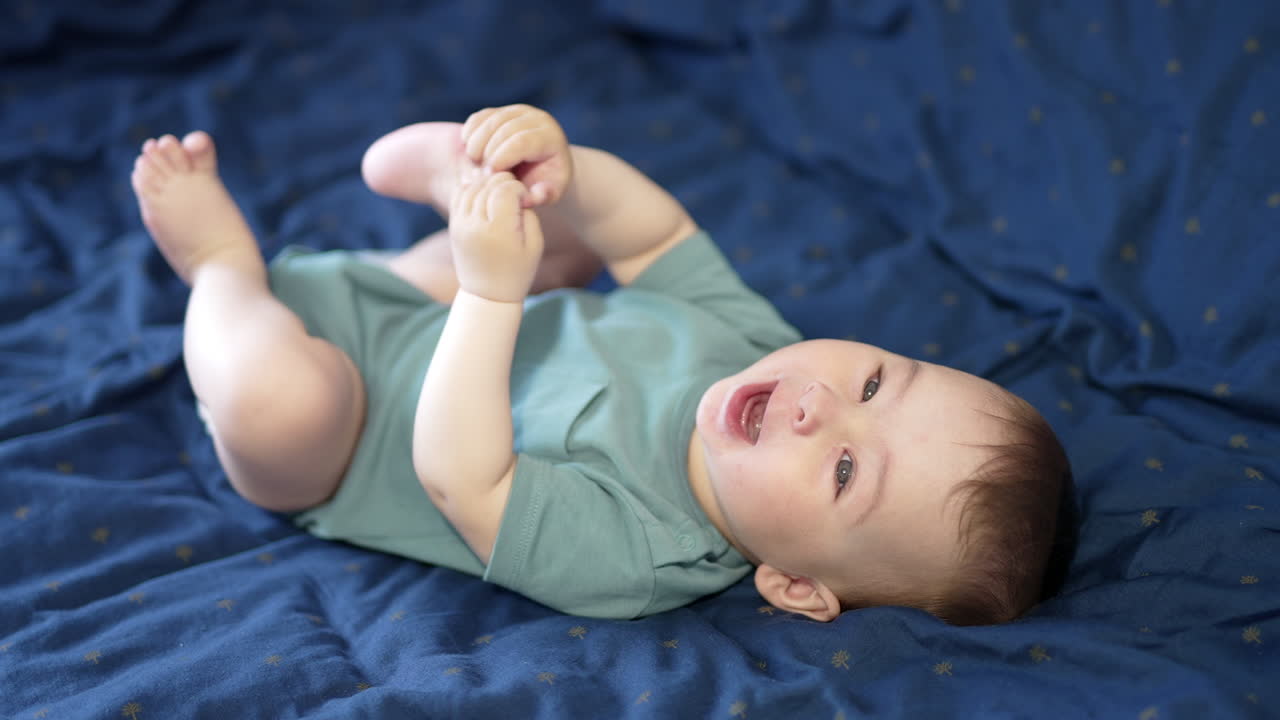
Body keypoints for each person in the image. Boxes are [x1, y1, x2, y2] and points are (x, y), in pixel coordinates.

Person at [130, 104, 1075, 624]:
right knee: (572, 240)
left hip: (345, 428)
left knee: (277, 405)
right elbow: (653, 233)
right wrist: (565, 166)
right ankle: (468, 192)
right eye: (874, 380)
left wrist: (493, 291)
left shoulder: (643, 553)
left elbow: (460, 475)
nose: (818, 406)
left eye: (843, 470)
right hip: (426, 303)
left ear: (794, 585)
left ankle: (222, 272)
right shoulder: (755, 350)